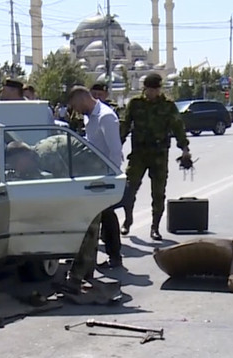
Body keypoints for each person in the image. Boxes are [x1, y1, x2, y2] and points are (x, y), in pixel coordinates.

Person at [56, 86, 124, 294]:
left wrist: (111, 181)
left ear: (83, 98)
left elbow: (115, 151)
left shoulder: (106, 117)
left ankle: (79, 275)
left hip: (103, 179)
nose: (76, 111)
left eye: (76, 106)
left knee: (91, 227)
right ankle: (87, 271)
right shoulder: (90, 118)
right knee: (95, 224)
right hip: (92, 176)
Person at [120, 73, 190, 240]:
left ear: (160, 89)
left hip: (159, 155)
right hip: (138, 154)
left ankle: (155, 227)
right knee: (129, 189)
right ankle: (128, 220)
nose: (153, 93)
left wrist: (185, 148)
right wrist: (117, 146)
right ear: (145, 89)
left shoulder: (168, 106)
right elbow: (125, 125)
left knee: (158, 193)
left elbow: (178, 127)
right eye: (150, 90)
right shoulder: (135, 104)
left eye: (156, 89)